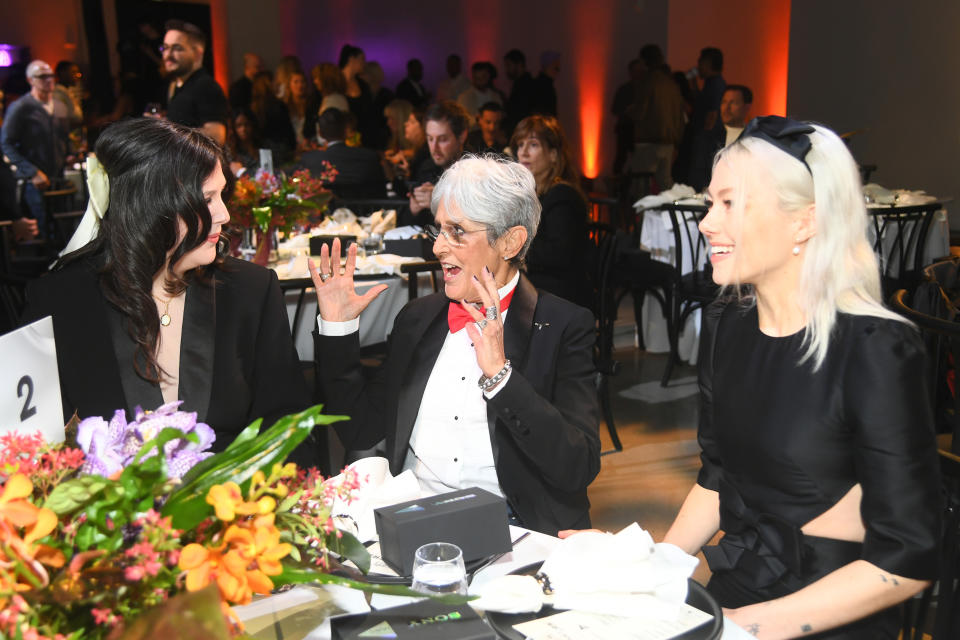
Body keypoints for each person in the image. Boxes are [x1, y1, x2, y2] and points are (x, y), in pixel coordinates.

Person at [658, 117, 940, 638]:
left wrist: (745, 628)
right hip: (739, 588)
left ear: (805, 222)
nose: (706, 224)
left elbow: (907, 556)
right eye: (709, 203)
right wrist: (652, 570)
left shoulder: (874, 349)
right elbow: (718, 475)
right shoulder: (727, 323)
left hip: (832, 611)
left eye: (730, 203)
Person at [309, 155, 601, 534]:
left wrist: (500, 377)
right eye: (439, 231)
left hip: (515, 530)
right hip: (414, 518)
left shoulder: (563, 325)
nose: (438, 248)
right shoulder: (417, 319)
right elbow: (362, 431)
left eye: (457, 232)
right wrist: (338, 328)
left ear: (510, 241)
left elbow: (576, 467)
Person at [20, 117, 320, 468]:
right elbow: (33, 450)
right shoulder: (61, 302)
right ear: (151, 206)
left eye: (221, 194)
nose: (224, 214)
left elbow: (288, 424)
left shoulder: (250, 291)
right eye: (207, 198)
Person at [510, 115, 591, 309]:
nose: (524, 153)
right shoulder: (537, 194)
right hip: (544, 283)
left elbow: (559, 253)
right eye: (520, 145)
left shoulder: (562, 194)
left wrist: (518, 253)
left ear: (554, 154)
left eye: (533, 145)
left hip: (563, 291)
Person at [1, 59, 72, 235]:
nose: (48, 80)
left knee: (63, 227)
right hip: (34, 180)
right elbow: (6, 143)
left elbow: (64, 136)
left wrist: (69, 154)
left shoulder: (59, 105)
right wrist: (31, 172)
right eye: (42, 76)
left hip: (58, 175)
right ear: (30, 80)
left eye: (51, 76)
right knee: (41, 229)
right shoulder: (21, 108)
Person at [625, 44, 686, 191]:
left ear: (644, 61)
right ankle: (671, 213)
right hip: (668, 142)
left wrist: (629, 111)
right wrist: (677, 142)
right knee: (665, 183)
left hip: (648, 141)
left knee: (641, 185)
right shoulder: (672, 85)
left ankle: (644, 214)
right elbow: (679, 116)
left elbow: (640, 112)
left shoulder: (647, 82)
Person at [160, 20, 228, 145]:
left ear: (197, 54)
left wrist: (168, 132)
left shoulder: (206, 86)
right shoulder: (175, 85)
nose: (168, 54)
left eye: (177, 48)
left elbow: (217, 136)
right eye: (165, 48)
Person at [405, 101, 470, 226]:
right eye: (430, 139)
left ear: (462, 136)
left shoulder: (478, 171)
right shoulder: (426, 168)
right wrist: (413, 210)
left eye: (442, 139)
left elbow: (479, 226)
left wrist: (440, 203)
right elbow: (410, 229)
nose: (434, 148)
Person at [300, 108, 385, 198]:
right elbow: (381, 193)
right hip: (366, 210)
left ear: (320, 133)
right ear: (345, 130)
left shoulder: (310, 161)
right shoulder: (369, 157)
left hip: (327, 211)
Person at [503, 49, 535, 134]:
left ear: (519, 64)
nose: (507, 69)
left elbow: (519, 113)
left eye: (509, 65)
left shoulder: (526, 85)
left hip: (522, 131)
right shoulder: (519, 84)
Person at [226, 108, 261, 176]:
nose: (243, 129)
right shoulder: (232, 152)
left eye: (246, 124)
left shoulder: (262, 146)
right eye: (239, 126)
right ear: (233, 129)